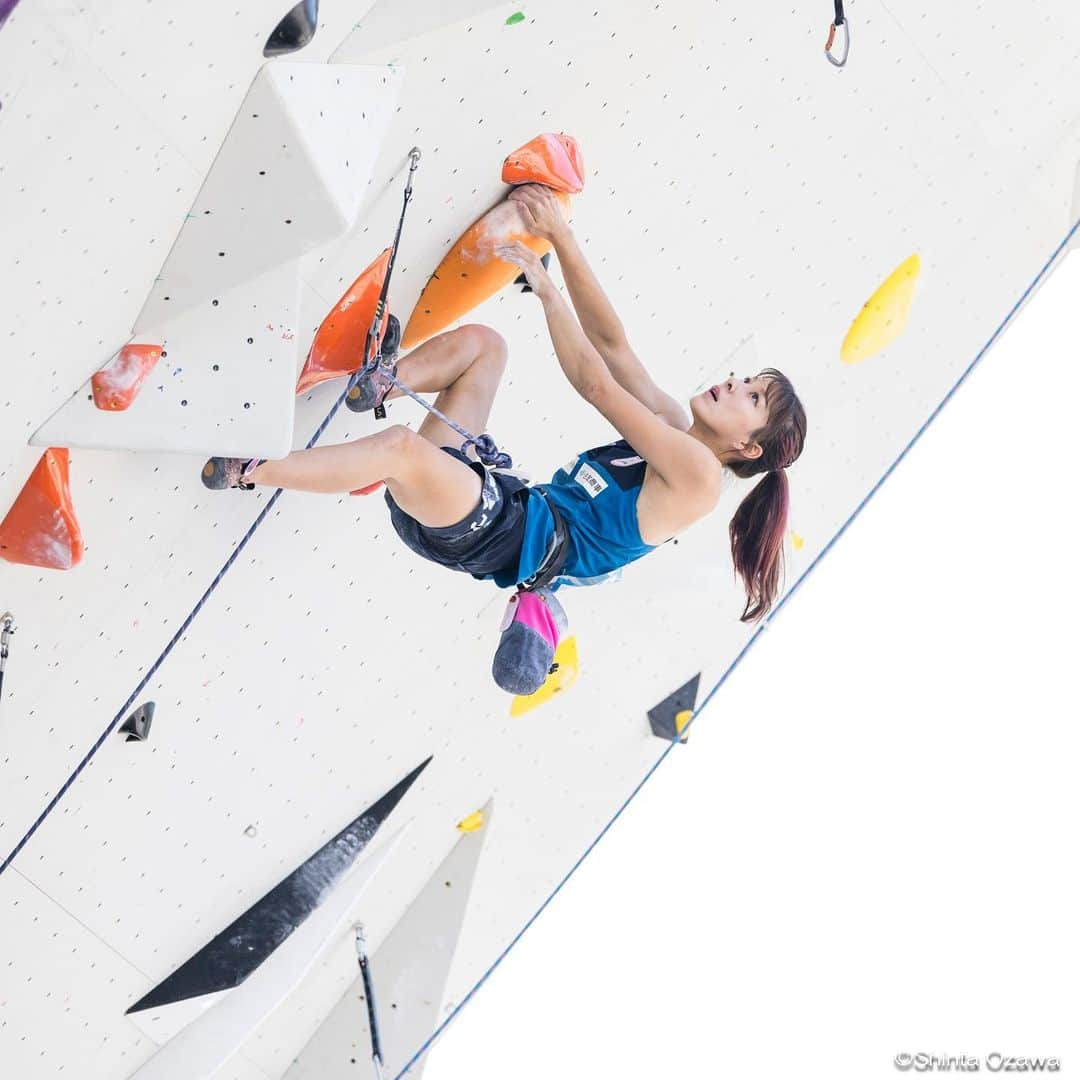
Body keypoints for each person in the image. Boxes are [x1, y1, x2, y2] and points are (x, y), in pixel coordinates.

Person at [202, 184, 807, 626]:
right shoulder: (675, 424)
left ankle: (248, 468)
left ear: (747, 448)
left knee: (400, 450)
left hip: (496, 534)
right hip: (495, 502)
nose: (733, 382)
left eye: (751, 395)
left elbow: (595, 384)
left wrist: (547, 292)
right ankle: (382, 381)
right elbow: (612, 344)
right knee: (484, 348)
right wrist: (563, 240)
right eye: (745, 378)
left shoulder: (699, 477)